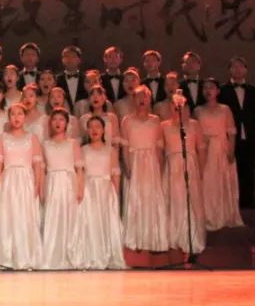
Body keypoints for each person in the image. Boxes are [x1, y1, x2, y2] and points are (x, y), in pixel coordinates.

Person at [69, 116, 127, 270]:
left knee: (105, 222)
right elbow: (79, 172)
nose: (94, 130)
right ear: (87, 131)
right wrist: (80, 190)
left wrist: (115, 194)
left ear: (103, 130)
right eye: (91, 127)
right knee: (91, 222)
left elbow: (115, 173)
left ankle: (106, 255)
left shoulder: (111, 150)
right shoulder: (83, 150)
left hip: (105, 189)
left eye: (97, 127)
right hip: (89, 190)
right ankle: (92, 255)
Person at [0, 103, 44, 270]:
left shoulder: (32, 138)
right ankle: (7, 258)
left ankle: (26, 256)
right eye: (13, 114)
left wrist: (37, 185)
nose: (16, 117)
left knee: (25, 218)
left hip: (26, 181)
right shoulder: (3, 138)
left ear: (25, 117)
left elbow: (37, 165)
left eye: (20, 113)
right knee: (8, 218)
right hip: (8, 181)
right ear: (9, 118)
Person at [121, 86, 167, 252]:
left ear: (150, 99)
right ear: (133, 99)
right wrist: (127, 166)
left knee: (150, 198)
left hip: (151, 163)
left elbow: (160, 146)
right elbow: (125, 146)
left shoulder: (156, 120)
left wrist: (160, 167)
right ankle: (135, 238)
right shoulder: (127, 120)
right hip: (134, 161)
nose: (142, 100)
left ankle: (152, 238)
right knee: (135, 198)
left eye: (145, 97)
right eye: (138, 97)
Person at [195, 78, 245, 230]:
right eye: (205, 88)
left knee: (221, 181)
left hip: (221, 148)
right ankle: (208, 216)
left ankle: (224, 215)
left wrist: (231, 150)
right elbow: (193, 131)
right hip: (204, 150)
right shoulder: (197, 110)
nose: (208, 91)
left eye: (211, 87)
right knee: (207, 183)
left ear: (217, 91)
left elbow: (232, 132)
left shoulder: (225, 109)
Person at [162, 93, 207, 256]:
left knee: (190, 199)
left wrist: (200, 170)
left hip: (190, 164)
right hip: (172, 166)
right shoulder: (164, 126)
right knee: (175, 199)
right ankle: (175, 236)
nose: (177, 109)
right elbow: (161, 150)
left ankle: (191, 236)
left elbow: (201, 148)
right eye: (174, 107)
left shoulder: (194, 125)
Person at [39, 109, 84, 270]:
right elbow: (42, 169)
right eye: (55, 119)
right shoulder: (45, 144)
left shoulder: (73, 143)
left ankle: (70, 254)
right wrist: (42, 189)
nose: (58, 122)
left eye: (61, 119)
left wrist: (80, 188)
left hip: (68, 182)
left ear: (66, 123)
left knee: (69, 218)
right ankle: (52, 255)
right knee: (53, 217)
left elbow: (79, 169)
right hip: (52, 182)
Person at [219, 57, 255, 208]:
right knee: (232, 169)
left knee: (248, 169)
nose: (237, 70)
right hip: (231, 137)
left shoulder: (253, 91)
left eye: (240, 67)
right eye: (234, 67)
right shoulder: (222, 90)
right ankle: (233, 201)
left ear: (245, 70)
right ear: (229, 70)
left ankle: (248, 200)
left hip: (250, 136)